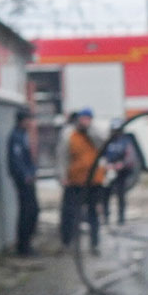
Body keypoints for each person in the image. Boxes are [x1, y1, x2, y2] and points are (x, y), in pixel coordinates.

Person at [59, 107, 107, 253]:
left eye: (88, 119)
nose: (85, 121)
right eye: (83, 118)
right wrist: (62, 176)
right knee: (70, 212)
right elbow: (62, 157)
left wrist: (90, 130)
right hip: (75, 181)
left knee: (93, 214)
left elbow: (104, 144)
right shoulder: (69, 135)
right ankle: (67, 242)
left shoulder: (95, 134)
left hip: (94, 181)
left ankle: (95, 244)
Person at [6, 111, 40, 256]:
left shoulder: (24, 135)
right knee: (27, 212)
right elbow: (16, 160)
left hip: (29, 178)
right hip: (23, 180)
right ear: (22, 121)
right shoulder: (16, 137)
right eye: (29, 120)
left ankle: (27, 243)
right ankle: (23, 247)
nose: (31, 123)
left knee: (33, 210)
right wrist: (25, 175)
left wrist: (32, 172)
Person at [102, 122, 142, 224]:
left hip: (121, 172)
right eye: (114, 131)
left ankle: (121, 218)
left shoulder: (126, 142)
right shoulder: (107, 142)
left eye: (117, 131)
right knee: (105, 195)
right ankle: (106, 216)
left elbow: (131, 157)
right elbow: (102, 156)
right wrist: (106, 165)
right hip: (109, 172)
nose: (115, 133)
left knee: (121, 195)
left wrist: (122, 164)